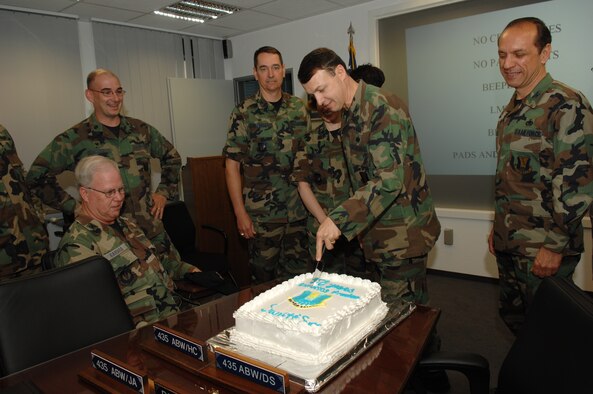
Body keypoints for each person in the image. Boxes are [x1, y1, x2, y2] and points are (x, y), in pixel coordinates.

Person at [298, 48, 441, 305]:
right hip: (377, 236)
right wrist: (362, 233)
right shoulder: (350, 114)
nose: (319, 101)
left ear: (340, 72)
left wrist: (338, 220)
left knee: (404, 322)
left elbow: (388, 180)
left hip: (402, 236)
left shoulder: (381, 107)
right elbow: (361, 181)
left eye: (321, 89)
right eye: (312, 95)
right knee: (384, 314)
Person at [489, 17, 593, 334]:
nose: (508, 63)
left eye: (519, 54)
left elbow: (577, 187)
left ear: (545, 52)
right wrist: (498, 226)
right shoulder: (511, 109)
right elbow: (509, 178)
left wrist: (555, 246)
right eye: (502, 54)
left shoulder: (566, 105)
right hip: (511, 241)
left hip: (544, 247)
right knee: (516, 321)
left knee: (550, 334)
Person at [26, 69, 182, 266]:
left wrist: (163, 192)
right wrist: (74, 207)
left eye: (119, 91)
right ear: (90, 95)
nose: (115, 98)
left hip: (150, 229)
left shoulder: (141, 130)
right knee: (125, 293)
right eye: (107, 92)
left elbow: (173, 158)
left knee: (173, 281)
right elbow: (36, 176)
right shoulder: (74, 139)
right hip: (109, 238)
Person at [54, 156, 197, 327]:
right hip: (136, 335)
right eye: (109, 192)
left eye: (121, 190)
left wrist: (189, 270)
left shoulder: (126, 224)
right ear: (85, 193)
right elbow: (93, 314)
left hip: (172, 316)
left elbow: (155, 263)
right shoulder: (77, 246)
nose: (119, 198)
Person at [223, 46, 311, 284]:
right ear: (255, 73)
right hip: (262, 217)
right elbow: (231, 167)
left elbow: (310, 159)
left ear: (283, 71)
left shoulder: (299, 109)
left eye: (275, 68)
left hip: (298, 214)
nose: (270, 74)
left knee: (300, 282)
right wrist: (240, 213)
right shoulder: (243, 113)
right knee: (263, 284)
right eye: (264, 69)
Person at [293, 96, 367, 277]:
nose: (326, 107)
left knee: (360, 286)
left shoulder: (357, 136)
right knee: (326, 288)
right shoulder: (308, 141)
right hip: (322, 228)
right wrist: (324, 220)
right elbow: (303, 186)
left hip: (355, 228)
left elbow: (369, 184)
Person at [0, 124, 49, 280]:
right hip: (4, 263)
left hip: (34, 250)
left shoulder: (1, 132)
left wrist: (38, 215)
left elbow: (20, 175)